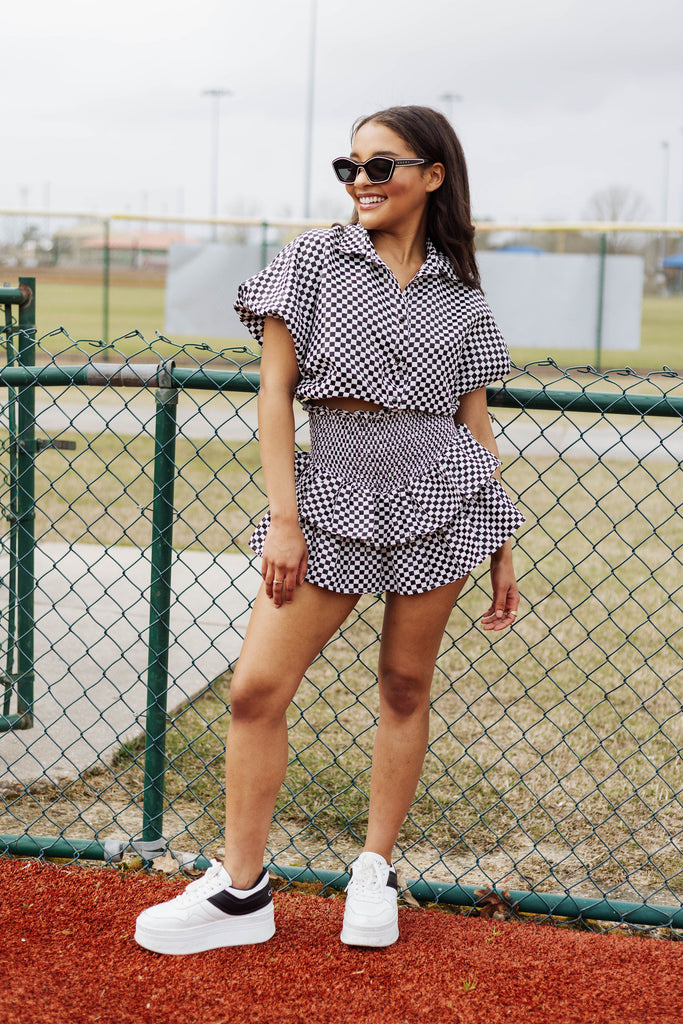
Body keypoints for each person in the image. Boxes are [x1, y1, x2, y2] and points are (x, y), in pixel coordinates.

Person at [135, 105, 524, 955]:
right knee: (255, 690)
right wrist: (285, 516)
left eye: (380, 167)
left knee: (402, 686)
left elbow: (474, 420)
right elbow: (274, 393)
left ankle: (374, 871)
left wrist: (500, 540)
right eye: (348, 167)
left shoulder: (461, 290)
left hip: (440, 490)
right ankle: (241, 893)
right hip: (330, 488)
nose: (360, 183)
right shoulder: (313, 258)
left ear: (432, 176)